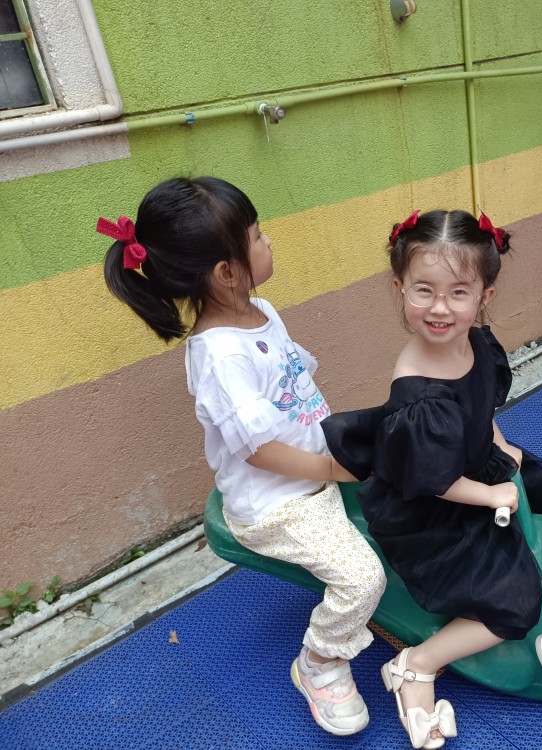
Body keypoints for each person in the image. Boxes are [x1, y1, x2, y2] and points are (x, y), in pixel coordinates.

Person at [101, 177, 386, 738]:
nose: (268, 240)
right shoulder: (219, 357)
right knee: (362, 579)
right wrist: (332, 469)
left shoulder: (260, 311)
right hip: (278, 503)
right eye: (257, 235)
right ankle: (319, 662)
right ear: (226, 273)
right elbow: (259, 450)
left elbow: (293, 386)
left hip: (316, 468)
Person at [321, 210, 542, 749]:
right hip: (429, 500)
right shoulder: (418, 389)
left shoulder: (476, 342)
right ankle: (418, 665)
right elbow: (434, 480)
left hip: (467, 465)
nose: (439, 307)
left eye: (458, 292)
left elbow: (482, 405)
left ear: (484, 297)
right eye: (424, 290)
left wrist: (501, 447)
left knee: (538, 478)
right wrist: (491, 493)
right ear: (399, 288)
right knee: (515, 600)